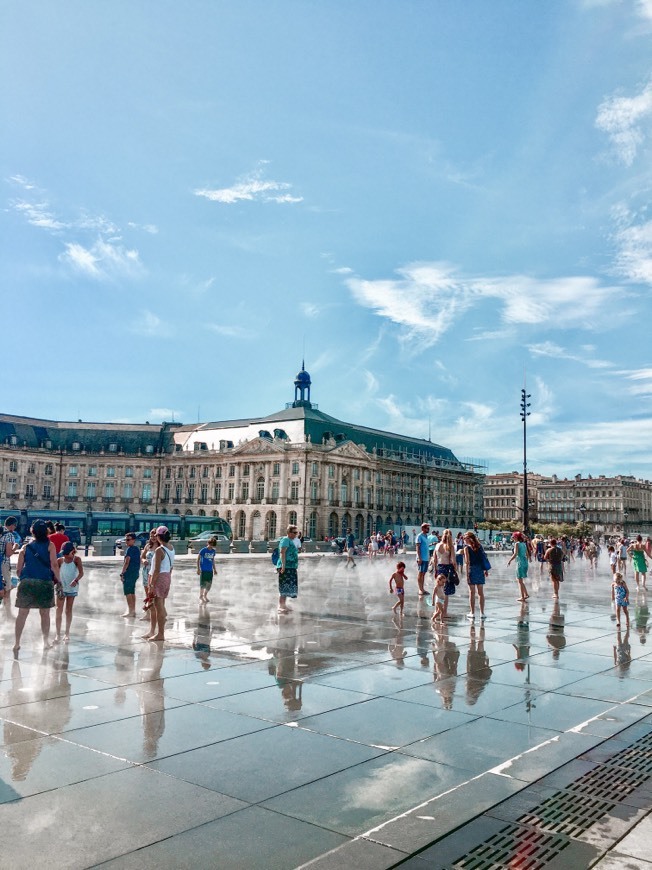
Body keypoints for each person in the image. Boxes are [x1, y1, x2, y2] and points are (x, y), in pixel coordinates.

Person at [14, 519, 61, 655]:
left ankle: (17, 643)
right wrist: (59, 581)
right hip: (44, 581)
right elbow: (54, 564)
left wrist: (24, 578)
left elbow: (18, 569)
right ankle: (45, 642)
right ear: (46, 531)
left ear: (32, 531)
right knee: (45, 614)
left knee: (22, 614)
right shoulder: (50, 545)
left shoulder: (26, 547)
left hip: (27, 582)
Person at [143, 526, 174, 642]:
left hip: (159, 578)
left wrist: (151, 585)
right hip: (166, 577)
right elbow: (171, 567)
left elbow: (156, 569)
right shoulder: (171, 548)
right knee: (160, 605)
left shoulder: (159, 550)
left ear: (159, 537)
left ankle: (160, 634)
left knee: (158, 608)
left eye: (156, 535)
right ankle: (158, 632)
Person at [55, 541, 83, 642]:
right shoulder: (60, 561)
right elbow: (55, 574)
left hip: (72, 588)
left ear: (73, 551)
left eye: (68, 553)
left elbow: (81, 573)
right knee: (59, 609)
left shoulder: (77, 560)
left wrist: (76, 580)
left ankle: (67, 633)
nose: (66, 555)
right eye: (65, 553)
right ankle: (57, 634)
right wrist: (56, 584)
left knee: (68, 610)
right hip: (61, 588)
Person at [463, 531, 489, 620]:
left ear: (469, 539)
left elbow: (467, 562)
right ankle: (482, 613)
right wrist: (485, 570)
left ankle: (472, 612)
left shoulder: (466, 548)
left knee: (472, 593)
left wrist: (467, 574)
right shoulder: (479, 546)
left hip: (472, 569)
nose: (464, 540)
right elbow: (483, 558)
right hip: (480, 569)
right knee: (481, 593)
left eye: (465, 538)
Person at [431, 528, 457, 617]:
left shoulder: (437, 545)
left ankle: (436, 610)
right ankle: (444, 612)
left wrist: (435, 570)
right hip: (447, 569)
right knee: (446, 592)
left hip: (439, 568)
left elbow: (434, 559)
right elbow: (453, 561)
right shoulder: (450, 546)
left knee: (438, 589)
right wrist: (455, 570)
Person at [276, 524, 299, 614]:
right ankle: (280, 606)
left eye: (296, 532)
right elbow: (282, 553)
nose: (296, 534)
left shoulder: (290, 540)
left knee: (287, 587)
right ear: (289, 533)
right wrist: (283, 566)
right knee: (284, 586)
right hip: (286, 567)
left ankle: (284, 605)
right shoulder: (285, 540)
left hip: (291, 567)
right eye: (294, 532)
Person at [120, 533, 141, 618]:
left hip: (129, 573)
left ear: (133, 540)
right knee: (132, 591)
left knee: (128, 592)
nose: (126, 541)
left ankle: (130, 611)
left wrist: (122, 573)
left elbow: (127, 562)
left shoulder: (130, 549)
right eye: (126, 539)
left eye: (128, 539)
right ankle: (133, 610)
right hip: (135, 573)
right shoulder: (137, 549)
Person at [507, 531, 531, 602]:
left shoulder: (517, 544)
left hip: (520, 563)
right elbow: (527, 554)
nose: (513, 538)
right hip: (524, 562)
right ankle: (526, 594)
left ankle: (522, 597)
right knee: (521, 580)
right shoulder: (523, 544)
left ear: (516, 537)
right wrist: (527, 560)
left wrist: (509, 560)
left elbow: (515, 554)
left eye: (513, 536)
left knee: (519, 581)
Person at [140, 529, 158, 620]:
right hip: (146, 571)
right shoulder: (148, 546)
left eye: (154, 536)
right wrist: (144, 560)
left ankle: (156, 613)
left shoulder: (160, 547)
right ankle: (148, 614)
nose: (153, 538)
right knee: (147, 594)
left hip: (155, 572)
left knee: (155, 594)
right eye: (151, 536)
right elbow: (142, 556)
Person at [0, 515, 18, 604]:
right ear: (13, 525)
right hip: (3, 563)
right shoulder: (9, 535)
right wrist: (15, 547)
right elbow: (8, 553)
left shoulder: (0, 531)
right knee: (7, 587)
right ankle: (7, 612)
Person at [197, 536, 217, 603]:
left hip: (210, 570)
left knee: (209, 584)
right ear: (208, 543)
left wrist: (215, 569)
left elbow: (213, 560)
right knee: (203, 584)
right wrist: (198, 569)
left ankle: (205, 595)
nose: (211, 547)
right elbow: (198, 559)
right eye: (210, 545)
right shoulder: (203, 550)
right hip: (203, 570)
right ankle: (201, 596)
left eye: (212, 546)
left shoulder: (213, 551)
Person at [415, 523, 431, 598]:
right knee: (420, 573)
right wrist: (419, 557)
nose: (428, 529)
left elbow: (425, 546)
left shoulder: (426, 536)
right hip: (421, 558)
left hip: (426, 558)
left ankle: (422, 588)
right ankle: (420, 589)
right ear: (423, 528)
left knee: (423, 574)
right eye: (427, 528)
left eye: (428, 528)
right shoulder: (419, 536)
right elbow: (417, 547)